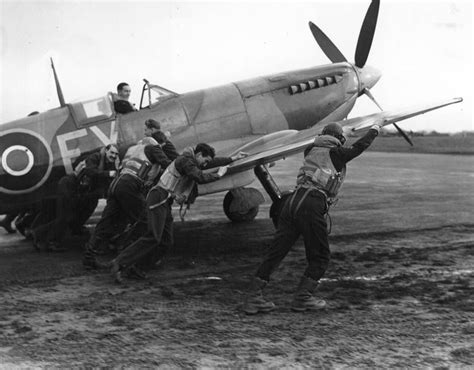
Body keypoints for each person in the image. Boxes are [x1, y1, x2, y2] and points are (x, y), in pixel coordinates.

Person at [243, 122, 381, 314]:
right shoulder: (336, 154)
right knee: (320, 256)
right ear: (339, 139)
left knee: (276, 253)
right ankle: (302, 298)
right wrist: (374, 130)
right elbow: (360, 146)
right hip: (311, 203)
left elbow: (327, 147)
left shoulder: (310, 150)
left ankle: (253, 297)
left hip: (291, 202)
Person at [109, 144, 247, 283]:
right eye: (205, 160)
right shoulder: (186, 160)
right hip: (158, 197)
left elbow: (209, 163)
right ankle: (119, 263)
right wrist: (219, 174)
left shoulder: (191, 160)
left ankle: (138, 268)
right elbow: (199, 177)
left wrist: (232, 158)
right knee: (153, 236)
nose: (205, 164)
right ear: (198, 155)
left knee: (166, 241)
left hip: (165, 200)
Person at [83, 135, 175, 269]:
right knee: (145, 219)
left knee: (105, 222)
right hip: (129, 185)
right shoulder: (152, 148)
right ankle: (125, 253)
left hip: (115, 185)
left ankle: (88, 258)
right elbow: (169, 165)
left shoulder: (131, 150)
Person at [31, 145, 119, 251]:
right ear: (106, 151)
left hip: (76, 188)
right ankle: (44, 237)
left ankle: (45, 235)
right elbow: (89, 171)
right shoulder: (95, 157)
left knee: (70, 215)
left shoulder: (108, 164)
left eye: (116, 154)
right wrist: (109, 173)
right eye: (112, 153)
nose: (114, 156)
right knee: (65, 216)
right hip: (69, 184)